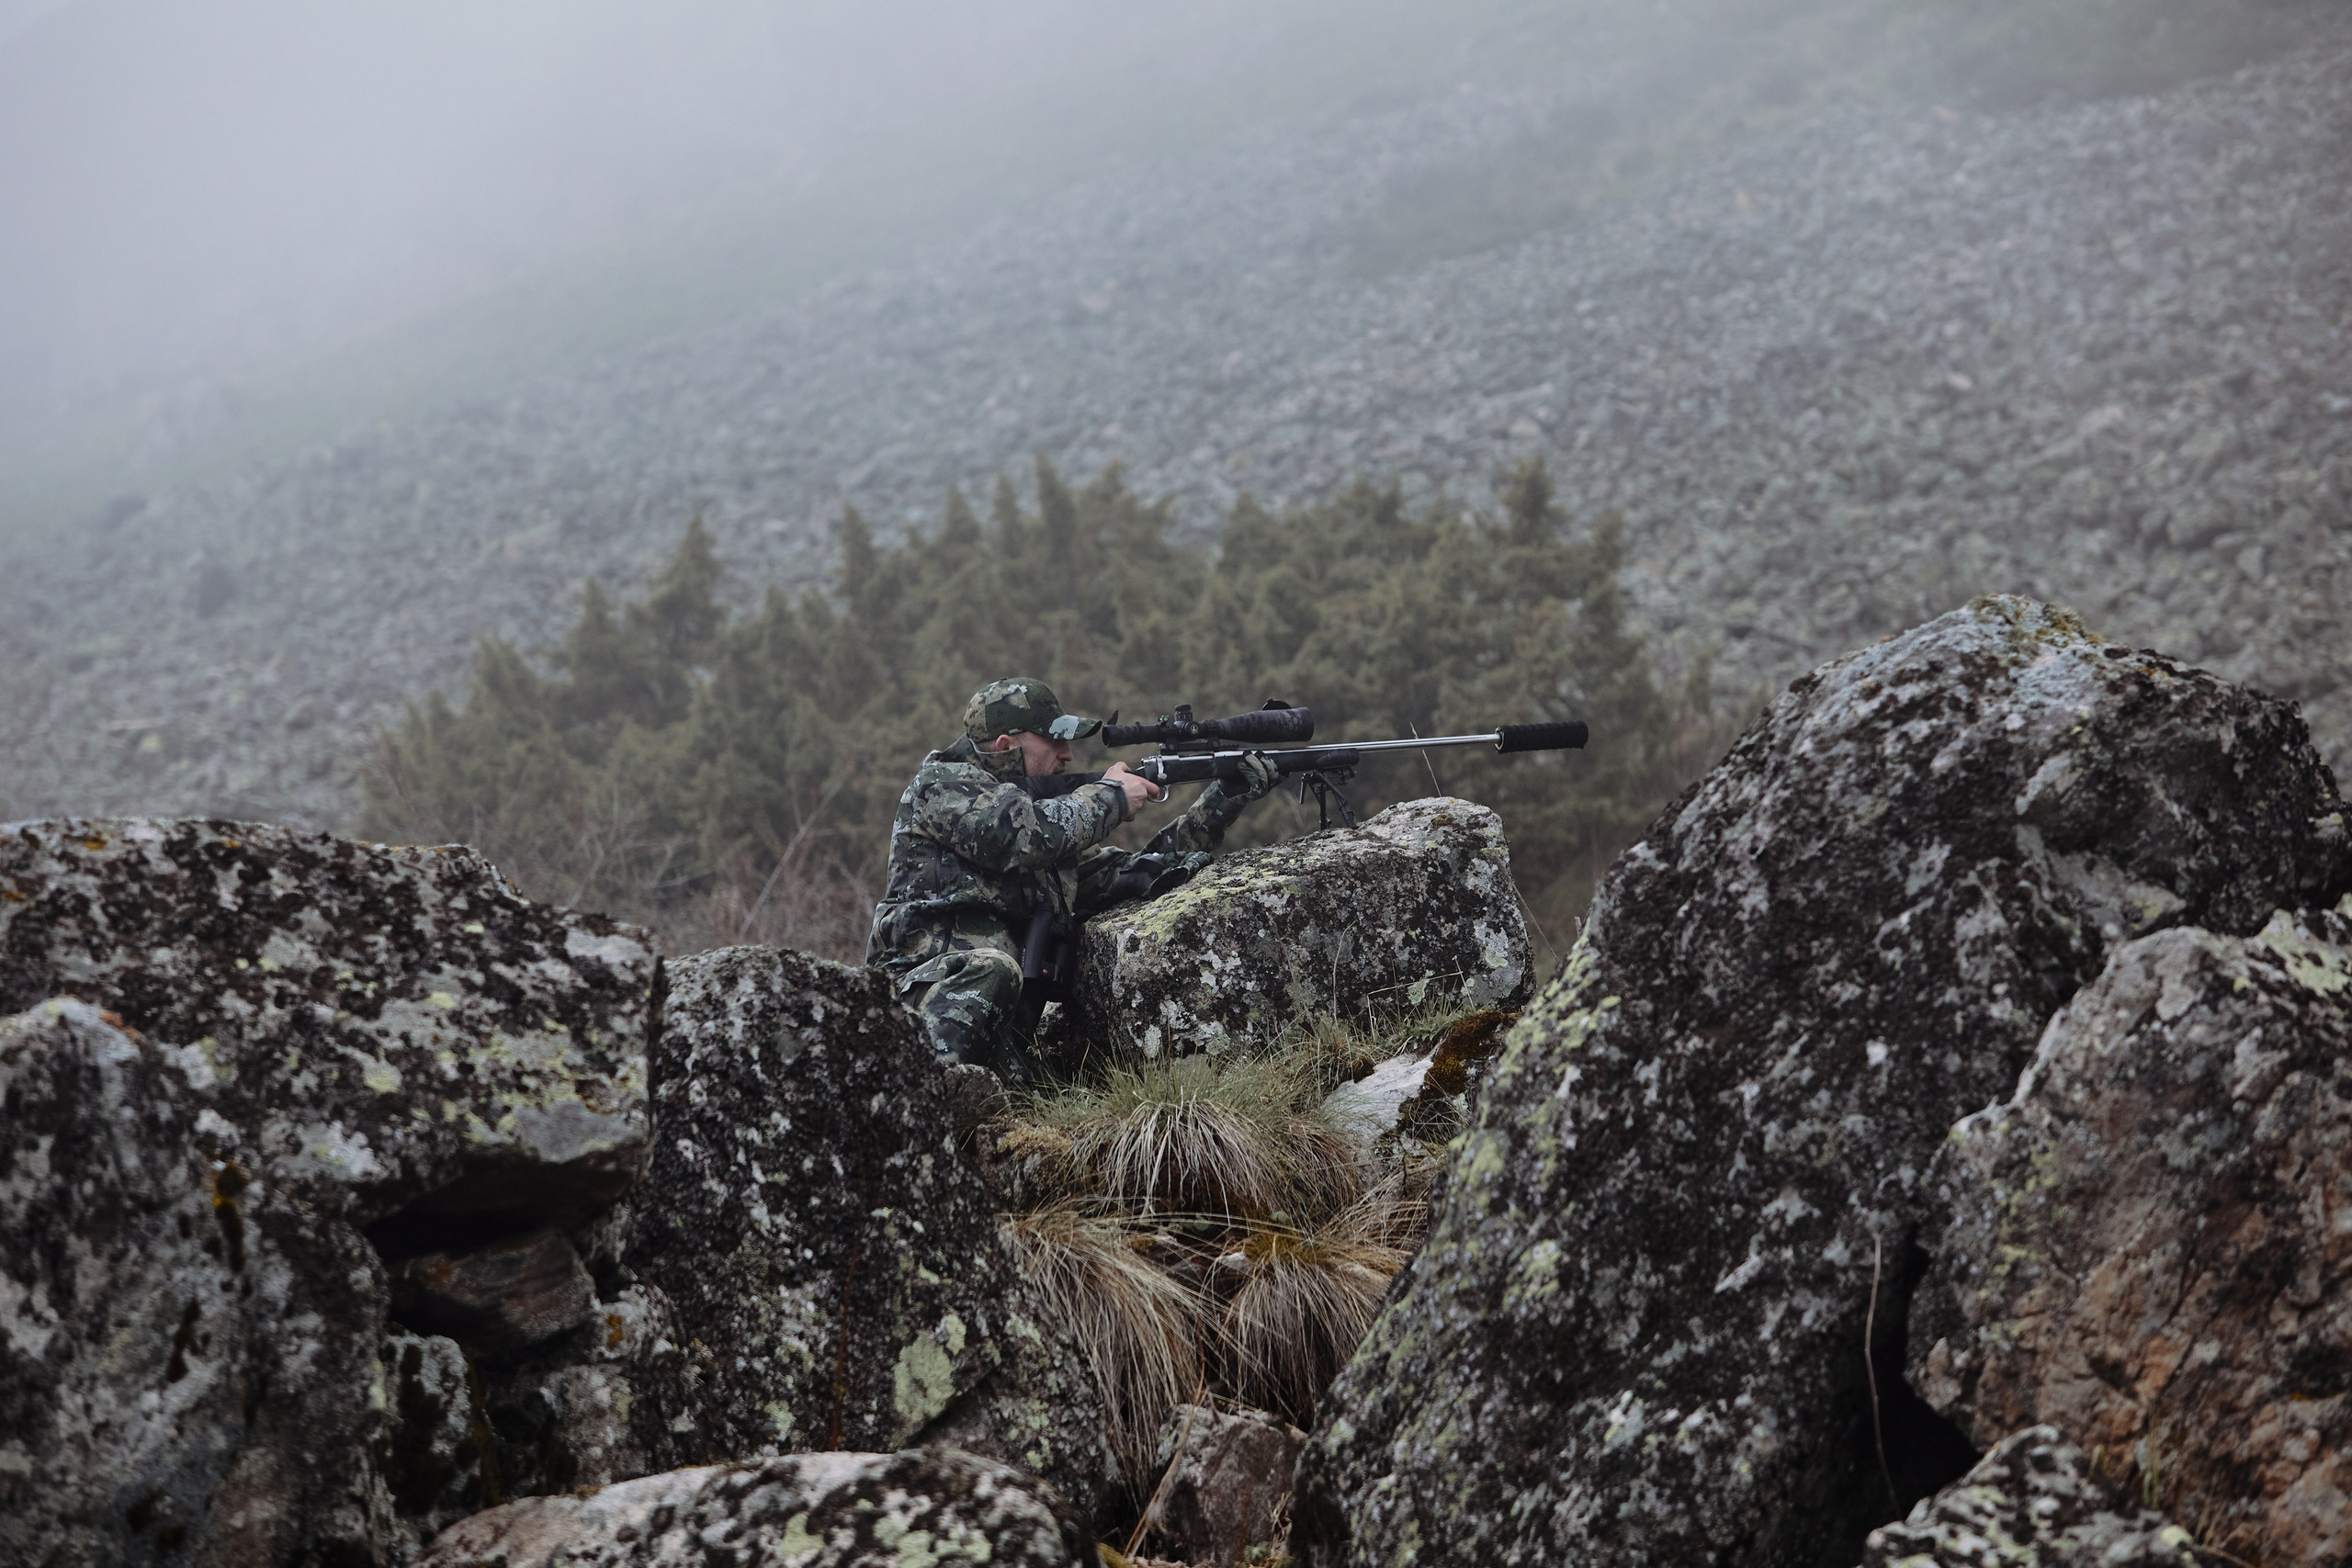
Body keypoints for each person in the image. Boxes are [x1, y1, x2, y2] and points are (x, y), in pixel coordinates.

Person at [866, 676, 1277, 1081]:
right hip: (916, 999)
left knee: (1054, 1087)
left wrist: (1223, 799)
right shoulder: (940, 787)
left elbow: (1141, 870)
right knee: (992, 971)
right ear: (1006, 747)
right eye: (1054, 742)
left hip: (991, 1028)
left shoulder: (1043, 833)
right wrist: (1111, 795)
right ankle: (921, 1096)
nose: (1067, 755)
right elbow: (1021, 836)